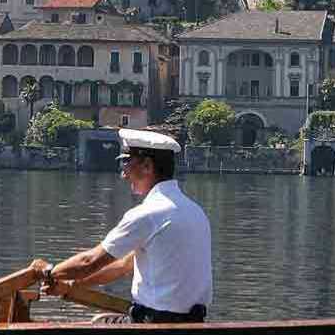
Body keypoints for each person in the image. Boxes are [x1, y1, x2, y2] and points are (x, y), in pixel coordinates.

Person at [44, 129, 212, 323]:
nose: (124, 174)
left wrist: (47, 272)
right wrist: (70, 283)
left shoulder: (147, 214)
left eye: (126, 162)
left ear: (147, 166)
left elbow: (88, 262)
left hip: (154, 327)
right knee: (102, 320)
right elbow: (123, 265)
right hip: (194, 326)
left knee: (95, 325)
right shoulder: (195, 211)